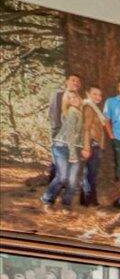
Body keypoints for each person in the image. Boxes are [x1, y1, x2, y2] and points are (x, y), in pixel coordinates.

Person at [40, 70, 83, 211]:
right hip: (60, 141)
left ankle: (66, 203)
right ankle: (48, 199)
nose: (75, 83)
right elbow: (53, 116)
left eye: (78, 81)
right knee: (61, 175)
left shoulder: (80, 102)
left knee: (72, 178)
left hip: (76, 145)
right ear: (67, 81)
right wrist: (55, 136)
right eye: (73, 80)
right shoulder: (58, 95)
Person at [79, 85, 111, 204]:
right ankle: (89, 201)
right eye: (94, 94)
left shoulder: (95, 108)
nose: (98, 97)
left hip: (95, 144)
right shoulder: (89, 108)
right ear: (88, 94)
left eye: (100, 95)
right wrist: (86, 147)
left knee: (90, 172)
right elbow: (86, 128)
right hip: (91, 143)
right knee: (90, 173)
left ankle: (86, 200)